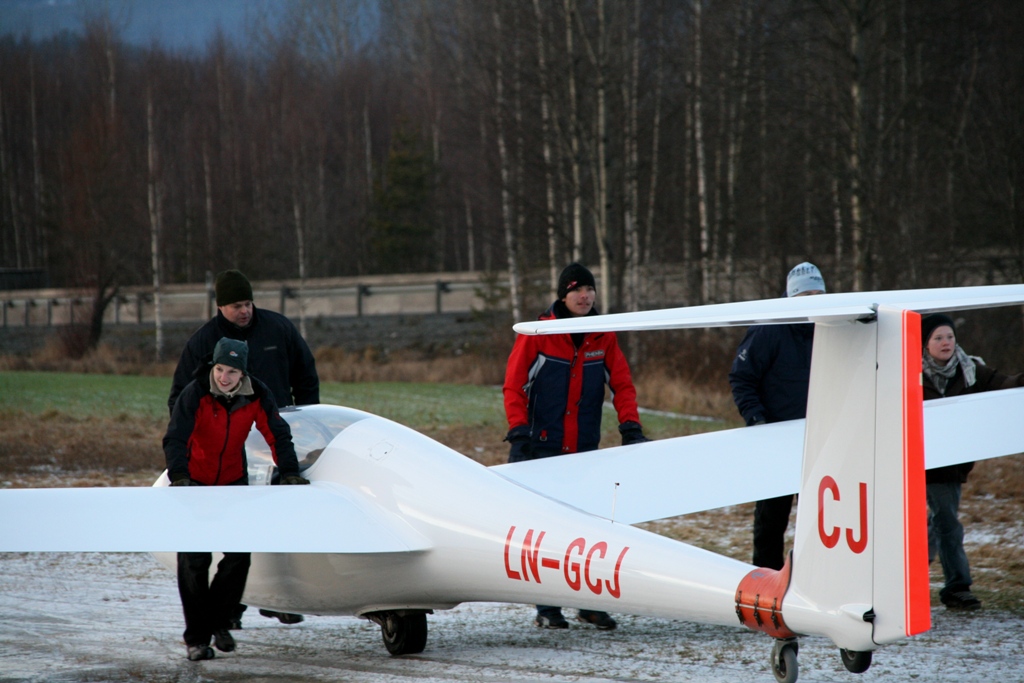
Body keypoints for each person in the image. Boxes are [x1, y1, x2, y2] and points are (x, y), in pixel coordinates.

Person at [168, 268, 319, 627]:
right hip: (228, 447)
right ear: (220, 306)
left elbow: (306, 374)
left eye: (248, 303)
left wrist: (306, 423)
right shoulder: (203, 342)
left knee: (279, 518)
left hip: (276, 436)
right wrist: (198, 444)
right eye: (236, 305)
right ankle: (231, 607)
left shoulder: (278, 328)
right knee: (230, 534)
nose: (245, 311)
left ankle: (279, 597)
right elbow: (180, 400)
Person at [503, 262, 649, 630]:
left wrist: (630, 425)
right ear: (563, 296)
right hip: (541, 446)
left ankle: (590, 604)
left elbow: (623, 384)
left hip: (584, 448)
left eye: (589, 289)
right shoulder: (538, 333)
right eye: (576, 290)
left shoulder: (603, 334)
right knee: (545, 529)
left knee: (590, 528)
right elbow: (513, 386)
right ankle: (547, 606)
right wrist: (519, 431)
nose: (584, 296)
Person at [163, 337, 310, 661]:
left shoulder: (256, 393)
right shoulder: (196, 393)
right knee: (194, 561)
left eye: (231, 371)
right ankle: (197, 640)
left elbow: (277, 433)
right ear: (212, 367)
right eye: (219, 369)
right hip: (194, 483)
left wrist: (289, 471)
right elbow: (176, 438)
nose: (224, 377)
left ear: (243, 373)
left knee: (239, 556)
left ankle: (219, 621)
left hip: (233, 482)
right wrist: (180, 476)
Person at [920, 313, 1024, 611]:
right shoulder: (905, 373)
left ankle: (950, 586)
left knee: (944, 521)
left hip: (949, 464)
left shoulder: (971, 370)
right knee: (936, 522)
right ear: (925, 344)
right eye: (938, 338)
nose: (946, 343)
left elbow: (1005, 384)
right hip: (913, 460)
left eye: (950, 337)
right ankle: (950, 586)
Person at [728, 261, 826, 571]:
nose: (813, 301)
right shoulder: (769, 328)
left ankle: (814, 578)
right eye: (806, 295)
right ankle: (766, 580)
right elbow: (742, 378)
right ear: (791, 297)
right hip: (777, 440)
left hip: (821, 439)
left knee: (821, 519)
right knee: (771, 519)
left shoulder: (834, 327)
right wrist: (758, 421)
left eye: (818, 295)